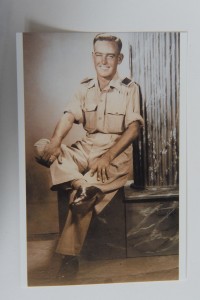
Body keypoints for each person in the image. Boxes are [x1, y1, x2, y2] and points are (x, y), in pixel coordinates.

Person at [34, 33, 144, 279]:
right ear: (92, 56)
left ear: (119, 58)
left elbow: (134, 128)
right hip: (86, 147)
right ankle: (82, 184)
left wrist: (107, 157)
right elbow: (69, 116)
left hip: (114, 153)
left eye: (110, 56)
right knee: (41, 147)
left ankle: (69, 259)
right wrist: (55, 142)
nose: (103, 61)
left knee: (78, 201)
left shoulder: (129, 88)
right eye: (99, 55)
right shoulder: (84, 87)